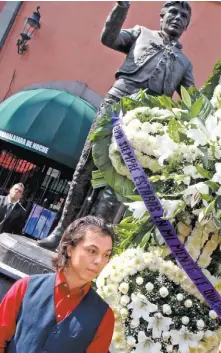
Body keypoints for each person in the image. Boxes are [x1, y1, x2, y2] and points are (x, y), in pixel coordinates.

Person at [38, 0, 195, 250]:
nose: (177, 17)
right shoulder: (141, 33)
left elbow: (191, 100)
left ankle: (90, 246)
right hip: (115, 105)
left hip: (144, 123)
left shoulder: (185, 63)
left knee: (117, 184)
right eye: (173, 12)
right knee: (86, 168)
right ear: (162, 16)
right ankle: (62, 233)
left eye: (183, 16)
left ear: (186, 25)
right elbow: (109, 38)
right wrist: (121, 7)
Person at [0, 216, 115, 353]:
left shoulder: (104, 317)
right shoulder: (25, 287)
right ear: (70, 249)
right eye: (92, 251)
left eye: (106, 255)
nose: (99, 261)